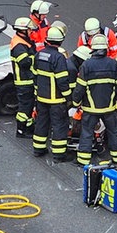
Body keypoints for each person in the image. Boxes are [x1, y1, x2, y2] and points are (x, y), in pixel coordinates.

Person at [72, 34, 117, 167]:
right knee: (113, 131)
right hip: (109, 108)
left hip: (90, 109)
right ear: (106, 49)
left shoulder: (86, 65)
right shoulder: (113, 64)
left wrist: (75, 102)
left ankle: (83, 160)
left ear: (93, 49)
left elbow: (80, 88)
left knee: (87, 132)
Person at [32, 25, 72, 161]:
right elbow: (62, 81)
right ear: (60, 41)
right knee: (59, 125)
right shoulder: (59, 57)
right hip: (56, 100)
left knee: (41, 123)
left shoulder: (39, 54)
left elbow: (35, 76)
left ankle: (38, 148)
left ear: (48, 40)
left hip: (42, 98)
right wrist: (68, 96)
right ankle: (59, 154)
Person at [10, 17, 37, 138]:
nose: (31, 32)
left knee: (29, 105)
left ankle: (28, 127)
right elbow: (24, 62)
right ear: (23, 30)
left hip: (28, 80)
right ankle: (21, 130)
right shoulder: (19, 45)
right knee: (24, 107)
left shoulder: (23, 41)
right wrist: (36, 57)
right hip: (23, 81)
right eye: (29, 30)